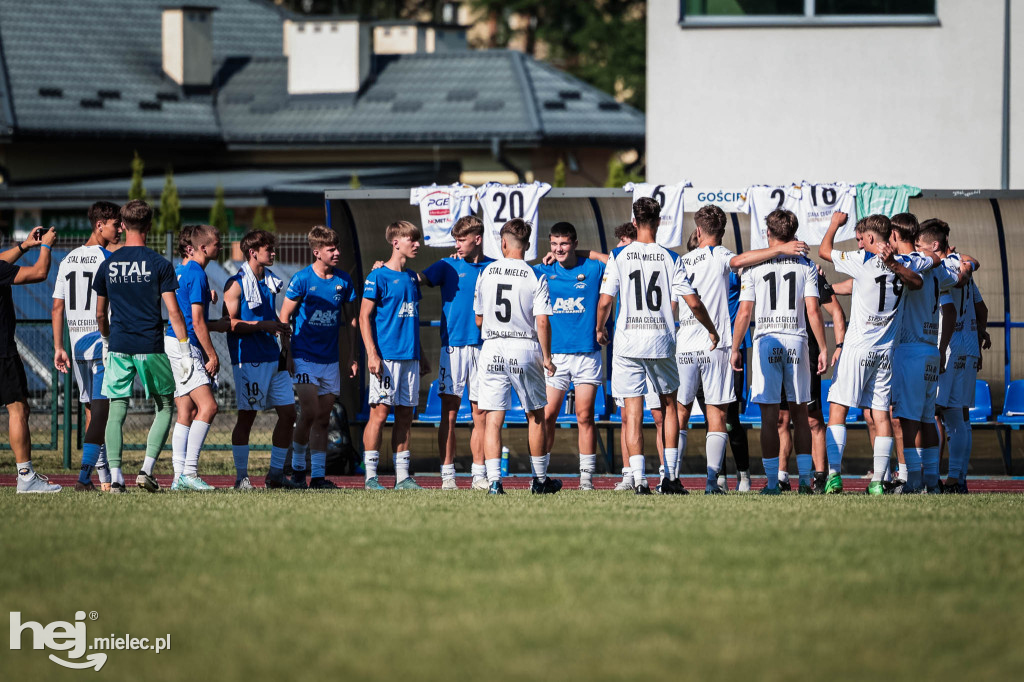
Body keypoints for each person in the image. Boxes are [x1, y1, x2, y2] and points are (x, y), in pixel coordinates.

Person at [596, 197, 719, 495]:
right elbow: (693, 302)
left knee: (634, 411)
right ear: (659, 222)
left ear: (635, 222)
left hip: (627, 344)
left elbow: (605, 301)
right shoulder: (671, 258)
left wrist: (600, 328)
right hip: (662, 342)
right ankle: (671, 477)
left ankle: (639, 481)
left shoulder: (618, 255)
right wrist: (711, 330)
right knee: (669, 407)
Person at [818, 211, 928, 495]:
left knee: (838, 409)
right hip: (884, 353)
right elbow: (918, 280)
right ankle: (879, 480)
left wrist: (833, 225)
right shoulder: (902, 263)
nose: (857, 244)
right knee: (880, 414)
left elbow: (824, 251)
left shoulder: (861, 260)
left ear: (869, 238)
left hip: (856, 348)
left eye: (859, 239)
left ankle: (833, 476)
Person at [93, 200, 191, 494]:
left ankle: (116, 476)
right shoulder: (159, 263)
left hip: (120, 344)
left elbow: (100, 313)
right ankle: (146, 470)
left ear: (122, 225)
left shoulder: (108, 263)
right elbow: (174, 312)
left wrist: (107, 341)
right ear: (150, 227)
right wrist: (185, 351)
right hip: (150, 345)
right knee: (164, 406)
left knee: (116, 409)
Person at [730, 209, 828, 494]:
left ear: (768, 233)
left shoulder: (753, 267)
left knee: (770, 418)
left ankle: (773, 482)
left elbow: (744, 312)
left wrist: (735, 348)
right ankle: (805, 482)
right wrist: (823, 347)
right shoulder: (805, 265)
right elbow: (812, 310)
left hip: (766, 341)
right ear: (793, 234)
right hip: (796, 341)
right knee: (800, 415)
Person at [474, 218, 557, 495]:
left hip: (492, 347)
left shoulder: (486, 272)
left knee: (493, 417)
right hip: (523, 346)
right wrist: (547, 357)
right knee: (535, 415)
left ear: (503, 242)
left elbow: (478, 319)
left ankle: (495, 482)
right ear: (528, 245)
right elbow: (542, 321)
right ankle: (540, 480)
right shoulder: (535, 275)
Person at [886, 214, 962, 493]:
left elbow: (910, 276)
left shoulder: (907, 263)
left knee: (906, 419)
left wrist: (890, 262)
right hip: (930, 348)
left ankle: (913, 479)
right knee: (927, 417)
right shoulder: (934, 264)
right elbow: (957, 274)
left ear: (895, 235)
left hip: (911, 349)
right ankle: (932, 480)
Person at [280, 225, 358, 490]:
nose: (337, 253)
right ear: (317, 252)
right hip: (304, 357)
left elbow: (352, 321)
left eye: (337, 248)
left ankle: (319, 477)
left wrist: (352, 356)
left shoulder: (344, 281)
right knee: (310, 412)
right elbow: (283, 318)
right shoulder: (302, 279)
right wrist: (287, 352)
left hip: (330, 361)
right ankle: (298, 471)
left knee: (324, 419)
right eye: (331, 249)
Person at [52, 201, 121, 492]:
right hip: (102, 345)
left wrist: (59, 346)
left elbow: (57, 307)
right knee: (104, 411)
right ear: (99, 225)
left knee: (94, 411)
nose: (119, 229)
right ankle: (90, 478)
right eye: (115, 223)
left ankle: (101, 479)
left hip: (77, 345)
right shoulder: (109, 260)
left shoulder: (67, 260)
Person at [421, 216, 493, 490]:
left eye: (462, 239)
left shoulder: (494, 269)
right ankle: (448, 476)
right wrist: (389, 268)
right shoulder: (446, 264)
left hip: (484, 348)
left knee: (481, 414)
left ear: (477, 238)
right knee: (448, 414)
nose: (458, 245)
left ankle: (478, 475)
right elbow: (418, 278)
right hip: (452, 348)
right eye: (455, 240)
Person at [675, 205, 742, 494]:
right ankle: (712, 483)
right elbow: (744, 259)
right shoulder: (723, 256)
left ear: (698, 230)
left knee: (679, 413)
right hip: (716, 347)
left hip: (684, 346)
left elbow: (673, 305)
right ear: (723, 232)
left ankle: (671, 477)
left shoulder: (681, 261)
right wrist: (780, 249)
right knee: (717, 415)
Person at [223, 229, 297, 491]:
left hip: (273, 358)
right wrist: (261, 325)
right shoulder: (235, 283)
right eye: (268, 249)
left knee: (289, 414)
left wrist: (286, 351)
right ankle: (242, 478)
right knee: (247, 417)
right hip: (249, 360)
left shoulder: (271, 281)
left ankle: (275, 475)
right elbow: (229, 323)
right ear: (253, 253)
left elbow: (275, 321)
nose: (274, 253)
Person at [534, 221, 605, 490]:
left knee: (584, 415)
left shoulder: (592, 267)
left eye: (564, 243)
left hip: (587, 355)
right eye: (554, 244)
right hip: (556, 358)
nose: (558, 249)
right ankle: (542, 476)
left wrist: (587, 252)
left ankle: (586, 479)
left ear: (574, 243)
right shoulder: (543, 270)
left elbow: (617, 261)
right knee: (548, 415)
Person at [360, 220, 429, 490]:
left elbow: (412, 319)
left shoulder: (412, 278)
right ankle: (371, 477)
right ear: (395, 242)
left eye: (418, 239)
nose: (417, 245)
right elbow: (364, 317)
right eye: (412, 239)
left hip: (409, 358)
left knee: (405, 417)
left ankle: (402, 477)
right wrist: (372, 354)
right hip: (386, 358)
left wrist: (421, 353)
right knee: (379, 414)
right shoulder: (377, 276)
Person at [921, 219, 985, 493]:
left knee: (933, 412)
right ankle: (957, 480)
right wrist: (980, 340)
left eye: (920, 246)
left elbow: (948, 312)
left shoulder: (943, 269)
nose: (917, 251)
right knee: (958, 417)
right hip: (968, 347)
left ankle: (931, 477)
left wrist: (941, 350)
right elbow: (982, 310)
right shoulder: (961, 264)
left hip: (948, 348)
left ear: (935, 246)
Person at [166, 224, 225, 491]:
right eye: (216, 243)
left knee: (186, 411)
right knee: (209, 407)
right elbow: (198, 322)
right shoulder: (197, 273)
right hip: (185, 345)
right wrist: (211, 355)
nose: (220, 247)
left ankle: (179, 477)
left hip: (173, 342)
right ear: (203, 248)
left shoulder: (181, 270)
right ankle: (189, 473)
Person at [3, 224, 60, 493]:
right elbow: (39, 273)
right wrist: (46, 246)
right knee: (17, 409)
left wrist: (25, 246)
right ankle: (26, 476)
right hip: (1, 351)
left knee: (22, 408)